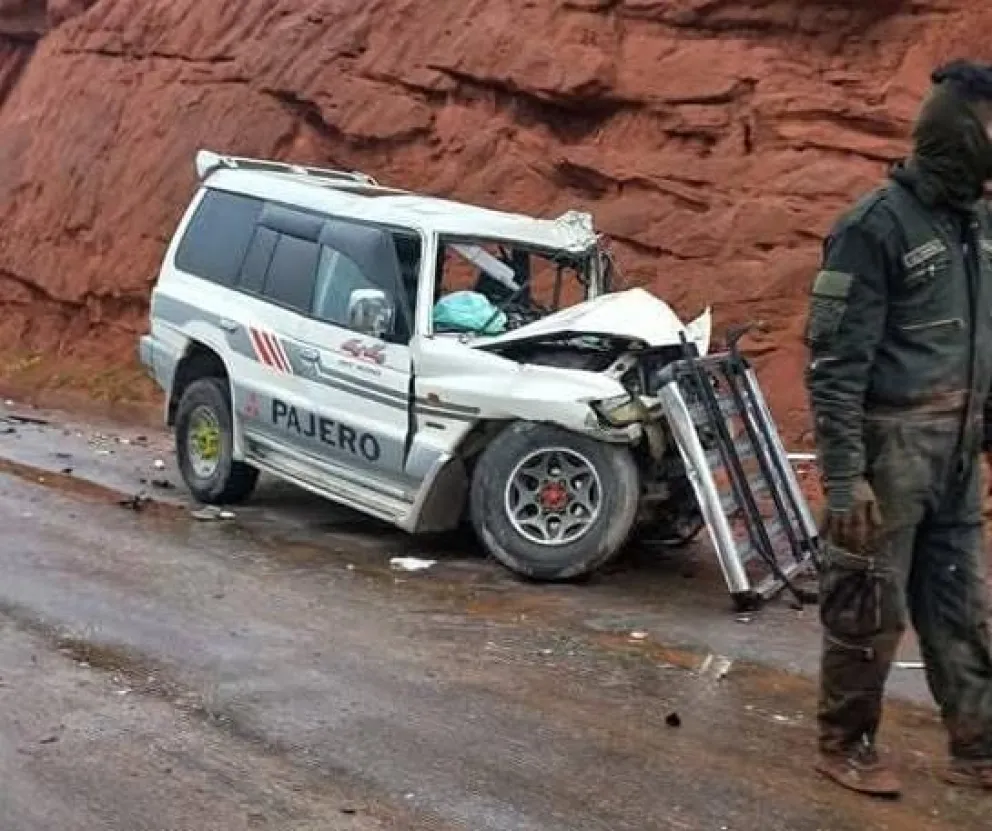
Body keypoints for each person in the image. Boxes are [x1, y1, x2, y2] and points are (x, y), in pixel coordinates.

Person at [804, 60, 992, 798]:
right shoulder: (872, 227)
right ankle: (843, 742)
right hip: (888, 455)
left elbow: (980, 340)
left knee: (960, 605)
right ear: (959, 133)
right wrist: (843, 477)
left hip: (955, 452)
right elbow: (834, 364)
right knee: (866, 606)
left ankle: (977, 748)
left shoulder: (978, 225)